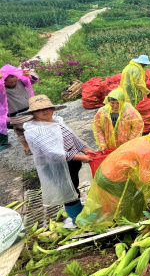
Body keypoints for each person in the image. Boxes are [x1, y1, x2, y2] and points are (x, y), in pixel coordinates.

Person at [76, 117, 150, 230]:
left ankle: (126, 220)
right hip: (112, 177)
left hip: (106, 171)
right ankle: (128, 224)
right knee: (131, 199)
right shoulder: (148, 148)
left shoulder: (146, 140)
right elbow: (146, 178)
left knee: (129, 198)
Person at [22, 95, 96, 228]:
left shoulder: (56, 121)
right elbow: (53, 153)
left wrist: (84, 149)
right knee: (68, 191)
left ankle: (77, 209)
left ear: (53, 108)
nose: (45, 111)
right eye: (40, 110)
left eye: (48, 108)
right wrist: (81, 157)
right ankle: (76, 220)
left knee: (73, 186)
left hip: (71, 162)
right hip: (57, 166)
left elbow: (73, 138)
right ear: (32, 113)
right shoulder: (35, 130)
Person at [0, 65, 39, 154]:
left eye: (15, 81)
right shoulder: (2, 88)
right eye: (10, 82)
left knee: (34, 127)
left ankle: (37, 144)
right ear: (4, 81)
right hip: (14, 113)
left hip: (29, 109)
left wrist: (28, 75)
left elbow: (34, 80)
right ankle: (27, 148)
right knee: (21, 131)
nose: (13, 83)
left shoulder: (21, 81)